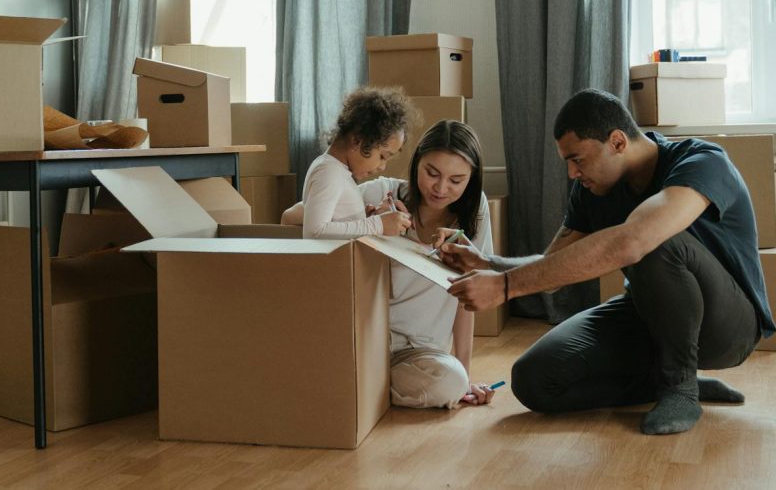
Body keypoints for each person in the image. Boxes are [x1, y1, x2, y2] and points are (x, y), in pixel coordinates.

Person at [440, 89, 774, 435]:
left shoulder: (702, 161)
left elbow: (635, 241)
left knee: (653, 240)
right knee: (534, 380)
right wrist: (489, 264)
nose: (572, 173)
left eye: (578, 160)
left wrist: (505, 287)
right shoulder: (593, 189)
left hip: (728, 328)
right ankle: (664, 380)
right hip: (650, 316)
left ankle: (680, 387)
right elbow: (553, 267)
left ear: (617, 142)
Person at [287, 119, 500, 409]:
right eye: (432, 173)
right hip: (365, 339)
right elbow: (292, 217)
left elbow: (468, 295)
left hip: (420, 353)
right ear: (416, 164)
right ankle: (359, 383)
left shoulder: (475, 213)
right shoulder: (382, 192)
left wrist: (465, 375)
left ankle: (357, 385)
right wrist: (368, 220)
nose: (440, 188)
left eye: (456, 181)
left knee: (450, 382)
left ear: (471, 180)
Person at [300, 86, 415, 239]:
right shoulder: (329, 172)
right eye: (382, 156)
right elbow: (314, 232)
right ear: (357, 140)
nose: (382, 167)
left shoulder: (338, 171)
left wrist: (363, 220)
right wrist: (377, 224)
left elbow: (336, 225)